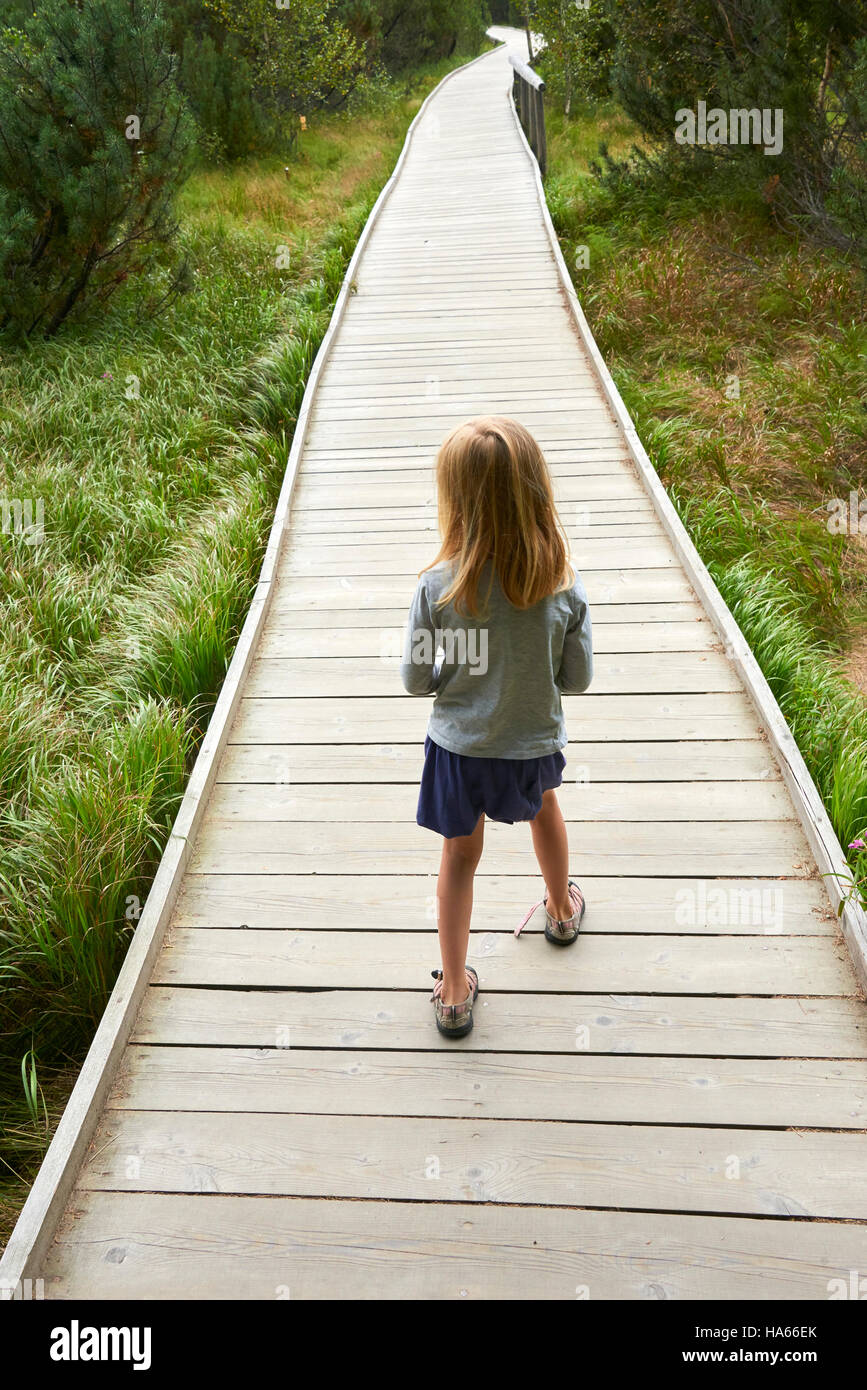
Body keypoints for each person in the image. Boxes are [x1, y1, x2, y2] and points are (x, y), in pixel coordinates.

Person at [400, 417, 593, 1038]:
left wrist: (452, 679)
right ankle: (561, 911)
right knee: (545, 809)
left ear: (455, 500)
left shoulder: (437, 586)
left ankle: (454, 992)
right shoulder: (561, 580)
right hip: (531, 740)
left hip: (460, 748)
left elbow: (414, 678)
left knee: (459, 856)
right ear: (535, 490)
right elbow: (579, 677)